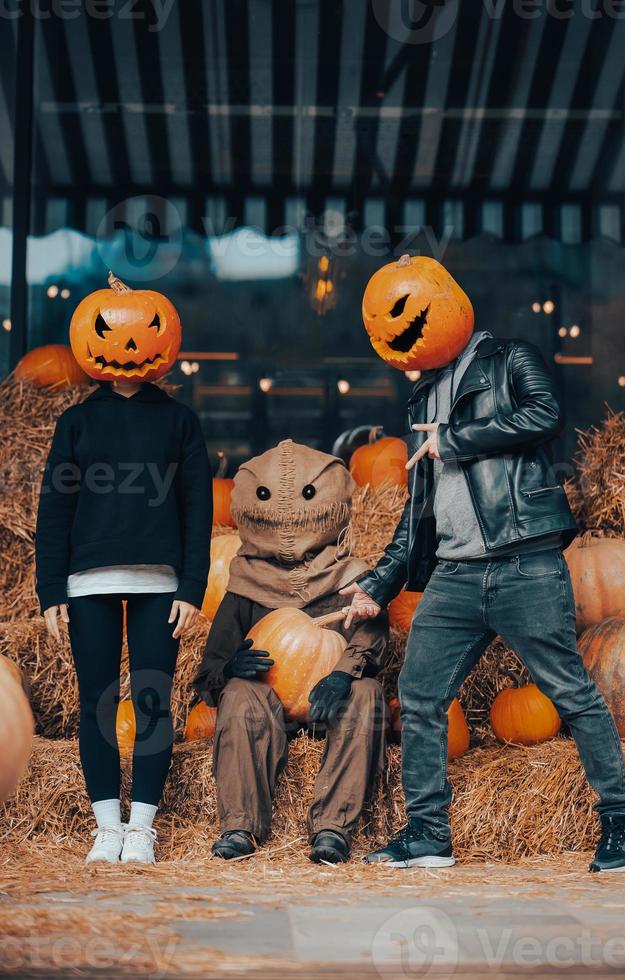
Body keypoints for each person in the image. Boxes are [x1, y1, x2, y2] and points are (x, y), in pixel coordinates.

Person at [343, 257, 625, 874]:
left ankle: (623, 824)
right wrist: (378, 583)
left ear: (446, 301)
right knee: (422, 696)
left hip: (522, 563)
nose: (394, 335)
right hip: (455, 576)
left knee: (573, 692)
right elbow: (417, 511)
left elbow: (544, 415)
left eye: (405, 313)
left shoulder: (508, 359)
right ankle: (428, 834)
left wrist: (452, 439)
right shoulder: (421, 396)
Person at [35, 275, 212, 865]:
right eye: (113, 332)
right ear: (92, 342)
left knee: (154, 700)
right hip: (87, 585)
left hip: (162, 585)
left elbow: (197, 509)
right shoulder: (77, 423)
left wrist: (192, 586)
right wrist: (49, 590)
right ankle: (106, 825)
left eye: (145, 332)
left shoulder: (181, 422)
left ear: (165, 340)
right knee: (98, 702)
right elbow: (54, 510)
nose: (130, 345)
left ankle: (143, 828)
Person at [193, 440, 388, 864]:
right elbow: (208, 673)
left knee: (368, 693)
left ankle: (333, 828)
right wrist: (229, 669)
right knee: (240, 694)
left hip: (327, 706)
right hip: (268, 707)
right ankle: (241, 826)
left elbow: (370, 638)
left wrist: (343, 674)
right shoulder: (244, 586)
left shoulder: (352, 578)